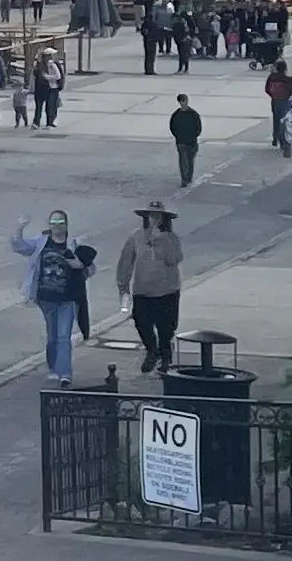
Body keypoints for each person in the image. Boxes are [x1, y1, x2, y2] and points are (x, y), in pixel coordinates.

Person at [12, 211, 86, 387]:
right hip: (46, 298)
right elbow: (20, 247)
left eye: (61, 222)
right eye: (54, 222)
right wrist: (20, 228)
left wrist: (80, 265)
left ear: (66, 225)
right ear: (49, 225)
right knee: (53, 336)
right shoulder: (41, 242)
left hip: (68, 298)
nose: (57, 225)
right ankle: (53, 368)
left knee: (63, 336)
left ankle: (65, 374)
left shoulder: (74, 244)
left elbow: (89, 268)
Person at [116, 200, 184, 374]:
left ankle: (166, 358)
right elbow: (126, 261)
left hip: (166, 291)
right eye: (151, 215)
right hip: (143, 291)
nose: (154, 219)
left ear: (164, 219)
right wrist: (123, 286)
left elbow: (174, 259)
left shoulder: (171, 238)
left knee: (165, 328)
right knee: (142, 323)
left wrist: (162, 241)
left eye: (157, 216)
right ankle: (152, 351)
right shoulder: (136, 237)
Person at [169, 94, 203, 188]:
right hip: (181, 142)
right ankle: (184, 179)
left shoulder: (193, 114)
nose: (184, 103)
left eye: (185, 100)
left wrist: (194, 136)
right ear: (179, 102)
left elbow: (198, 127)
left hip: (192, 141)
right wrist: (178, 136)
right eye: (183, 101)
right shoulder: (176, 115)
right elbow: (172, 127)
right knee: (184, 161)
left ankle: (188, 178)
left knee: (190, 161)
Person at [264, 64, 292, 152]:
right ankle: (283, 139)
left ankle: (275, 137)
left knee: (276, 119)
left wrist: (273, 95)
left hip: (275, 100)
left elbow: (267, 89)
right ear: (285, 69)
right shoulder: (288, 79)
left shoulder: (272, 77)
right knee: (283, 120)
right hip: (285, 101)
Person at [34, 51, 65, 128]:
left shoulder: (53, 64)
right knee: (40, 106)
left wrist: (48, 77)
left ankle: (50, 122)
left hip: (52, 88)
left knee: (50, 106)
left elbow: (58, 76)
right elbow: (35, 75)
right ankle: (37, 122)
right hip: (41, 88)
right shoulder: (39, 65)